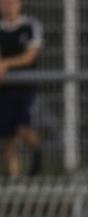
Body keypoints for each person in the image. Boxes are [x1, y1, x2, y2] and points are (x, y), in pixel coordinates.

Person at [0, 0, 42, 176]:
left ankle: (38, 155)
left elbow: (30, 55)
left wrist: (7, 63)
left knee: (22, 129)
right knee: (6, 136)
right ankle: (15, 179)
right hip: (4, 90)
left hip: (24, 88)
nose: (8, 6)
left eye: (12, 2)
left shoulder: (30, 26)